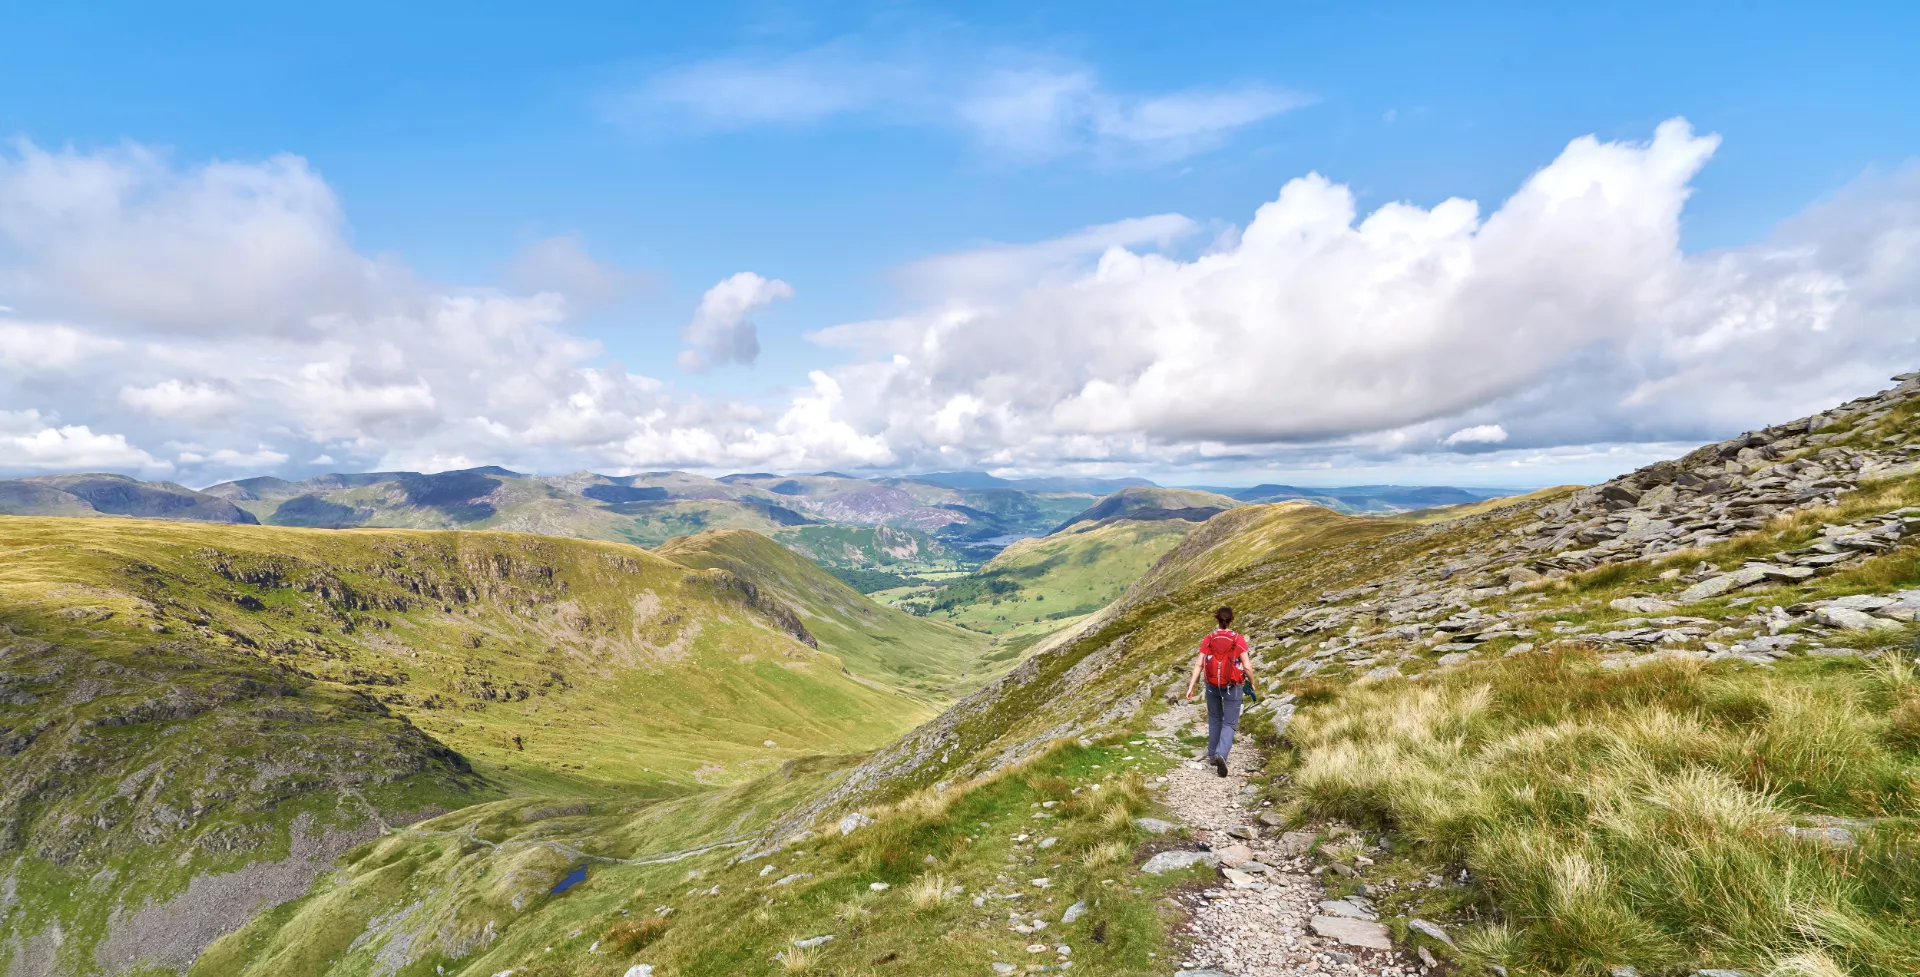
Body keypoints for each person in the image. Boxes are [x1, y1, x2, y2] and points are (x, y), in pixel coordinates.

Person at [1185, 605, 1256, 777]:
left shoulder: (1208, 638)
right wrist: (1252, 683)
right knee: (1230, 722)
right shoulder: (1238, 639)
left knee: (1214, 718)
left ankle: (1211, 754)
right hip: (1233, 686)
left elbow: (1199, 664)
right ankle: (1221, 754)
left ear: (1216, 619)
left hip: (1211, 685)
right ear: (1232, 620)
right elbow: (1246, 666)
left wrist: (1191, 686)